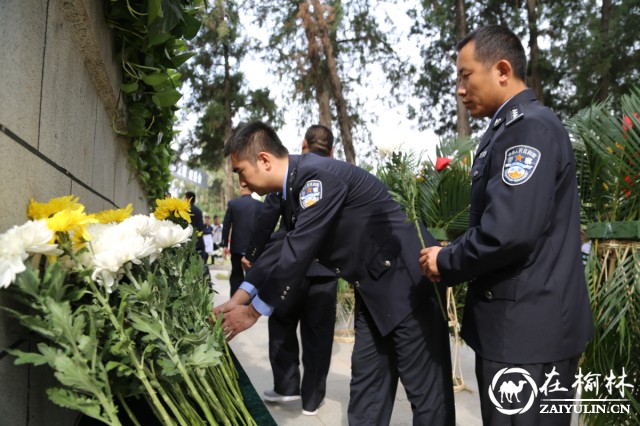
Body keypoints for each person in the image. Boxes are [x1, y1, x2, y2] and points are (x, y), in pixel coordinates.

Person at [214, 121, 455, 425]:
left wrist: (251, 314)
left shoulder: (317, 178)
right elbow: (281, 245)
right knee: (367, 389)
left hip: (407, 283)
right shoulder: (293, 186)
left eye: (240, 173)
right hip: (371, 287)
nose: (242, 186)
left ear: (263, 160)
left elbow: (298, 251)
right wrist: (239, 297)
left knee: (426, 395)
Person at [419, 25, 594, 425]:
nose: (460, 90)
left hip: (525, 337)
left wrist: (446, 261)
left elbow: (508, 232)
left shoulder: (528, 129)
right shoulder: (511, 128)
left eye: (466, 76)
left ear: (501, 70)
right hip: (524, 329)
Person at [242, 125, 338, 416]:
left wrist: (254, 255)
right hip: (325, 270)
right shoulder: (338, 172)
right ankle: (312, 398)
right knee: (319, 335)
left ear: (303, 144)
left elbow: (268, 214)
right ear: (332, 150)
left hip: (289, 266)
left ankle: (286, 388)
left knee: (282, 323)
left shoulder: (290, 172)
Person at [221, 186, 262, 297]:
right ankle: (248, 302)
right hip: (253, 248)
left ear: (240, 189)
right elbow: (263, 227)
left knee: (236, 275)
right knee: (251, 276)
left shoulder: (233, 204)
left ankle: (234, 300)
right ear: (252, 189)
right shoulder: (259, 205)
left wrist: (224, 244)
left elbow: (226, 225)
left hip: (237, 247)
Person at [184, 191, 206, 262]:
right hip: (199, 239)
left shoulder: (185, 210)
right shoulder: (199, 211)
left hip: (189, 240)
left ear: (188, 199)